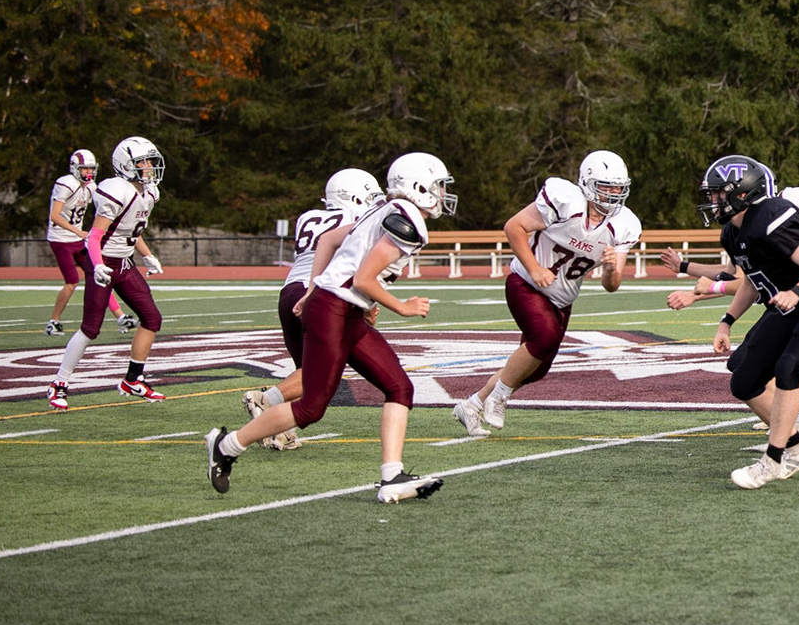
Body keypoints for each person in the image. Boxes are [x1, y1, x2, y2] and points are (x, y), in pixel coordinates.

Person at [206, 152, 455, 504]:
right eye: (439, 185)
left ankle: (392, 476)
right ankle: (226, 446)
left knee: (399, 386)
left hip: (343, 310)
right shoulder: (406, 219)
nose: (442, 193)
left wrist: (313, 289)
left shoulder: (384, 208)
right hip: (336, 311)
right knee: (312, 407)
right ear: (419, 186)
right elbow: (365, 278)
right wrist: (402, 306)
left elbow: (328, 242)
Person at [695, 155, 799, 490]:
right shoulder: (733, 232)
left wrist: (796, 292)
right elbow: (752, 280)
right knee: (743, 380)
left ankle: (774, 460)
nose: (712, 200)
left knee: (790, 366)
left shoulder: (771, 216)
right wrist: (726, 321)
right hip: (798, 302)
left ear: (741, 192)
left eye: (718, 193)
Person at [452, 151, 639, 436]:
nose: (614, 193)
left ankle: (473, 404)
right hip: (526, 283)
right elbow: (514, 226)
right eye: (606, 186)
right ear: (588, 183)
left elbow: (611, 285)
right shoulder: (566, 200)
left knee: (534, 368)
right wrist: (535, 268)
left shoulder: (624, 224)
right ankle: (499, 398)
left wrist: (612, 268)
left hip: (562, 300)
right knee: (545, 336)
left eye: (618, 187)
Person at [241, 168, 384, 451]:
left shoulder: (308, 217)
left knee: (304, 370)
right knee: (321, 372)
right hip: (321, 296)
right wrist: (368, 304)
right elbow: (356, 266)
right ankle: (265, 398)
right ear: (354, 197)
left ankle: (281, 431)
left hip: (290, 292)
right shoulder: (358, 219)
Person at [46, 137, 169, 409]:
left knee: (152, 318)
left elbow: (132, 231)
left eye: (150, 161)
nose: (149, 167)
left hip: (123, 263)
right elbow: (94, 236)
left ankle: (132, 379)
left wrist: (148, 256)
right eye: (143, 162)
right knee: (91, 328)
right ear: (126, 165)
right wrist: (98, 264)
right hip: (100, 261)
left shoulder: (149, 193)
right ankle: (59, 383)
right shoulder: (117, 191)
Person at [43, 148, 98, 336]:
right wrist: (80, 232)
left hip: (77, 239)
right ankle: (53, 321)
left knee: (98, 274)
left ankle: (121, 317)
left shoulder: (90, 187)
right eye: (85, 169)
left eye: (91, 169)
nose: (89, 173)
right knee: (72, 281)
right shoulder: (66, 184)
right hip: (61, 239)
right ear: (75, 168)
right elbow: (55, 216)